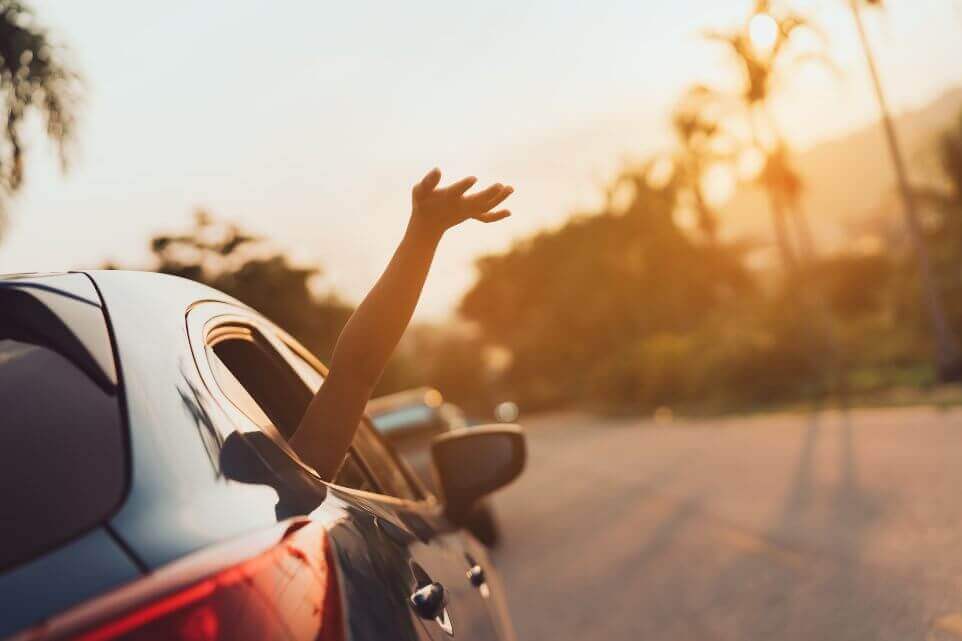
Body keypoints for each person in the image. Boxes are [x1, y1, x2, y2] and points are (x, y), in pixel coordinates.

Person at [289, 168, 514, 480]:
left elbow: (355, 372)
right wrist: (424, 232)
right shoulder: (290, 490)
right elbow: (355, 373)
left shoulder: (291, 486)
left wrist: (424, 233)